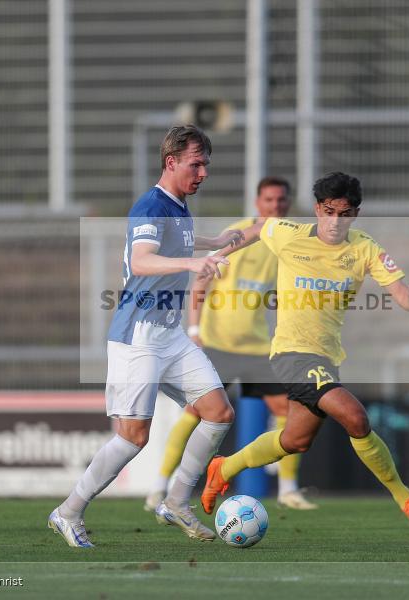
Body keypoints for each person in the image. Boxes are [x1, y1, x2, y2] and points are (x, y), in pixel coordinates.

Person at [200, 171, 409, 530]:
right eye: (329, 211)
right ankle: (405, 498)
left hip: (325, 358)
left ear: (355, 214)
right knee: (355, 418)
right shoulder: (289, 235)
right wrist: (217, 253)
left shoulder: (365, 248)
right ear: (317, 209)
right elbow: (255, 230)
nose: (335, 222)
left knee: (294, 440)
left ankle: (226, 466)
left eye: (344, 214)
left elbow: (402, 293)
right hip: (291, 353)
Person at [49, 125, 245, 547]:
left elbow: (176, 245)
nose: (203, 173)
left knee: (219, 412)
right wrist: (195, 267)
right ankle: (68, 512)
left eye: (206, 165)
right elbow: (141, 262)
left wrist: (215, 241)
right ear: (171, 162)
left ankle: (175, 501)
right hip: (137, 337)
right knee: (133, 437)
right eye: (196, 164)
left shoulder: (178, 206)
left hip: (170, 336)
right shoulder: (151, 205)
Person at [144, 176, 318, 513]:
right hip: (218, 343)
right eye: (269, 201)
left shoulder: (288, 242)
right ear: (258, 203)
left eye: (282, 201)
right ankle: (159, 486)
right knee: (196, 413)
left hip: (256, 347)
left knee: (287, 410)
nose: (276, 207)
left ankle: (287, 489)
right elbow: (202, 281)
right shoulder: (238, 236)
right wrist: (194, 329)